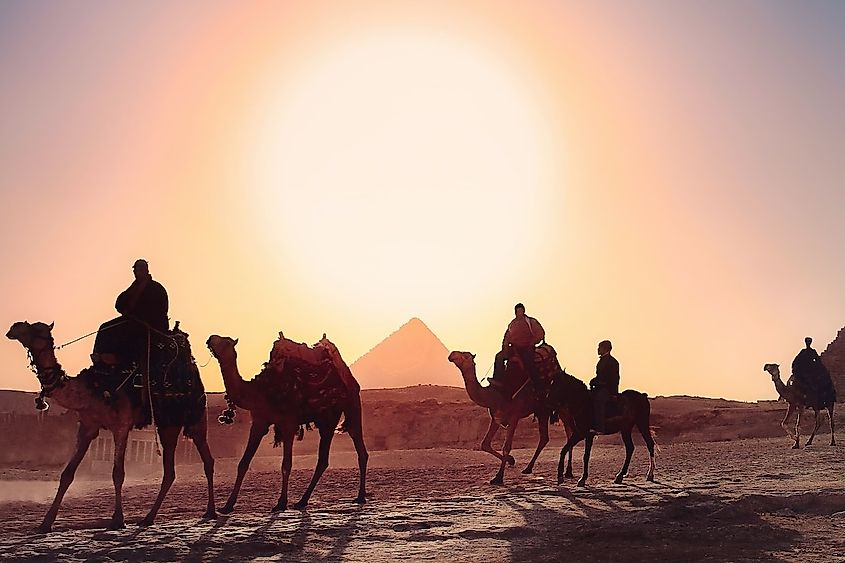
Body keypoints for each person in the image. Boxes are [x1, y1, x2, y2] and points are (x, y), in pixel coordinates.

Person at [93, 259, 169, 367]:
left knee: (125, 332)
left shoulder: (156, 288)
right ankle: (99, 358)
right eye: (135, 269)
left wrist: (137, 316)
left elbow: (159, 311)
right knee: (105, 327)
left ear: (145, 270)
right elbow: (119, 303)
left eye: (139, 269)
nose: (136, 272)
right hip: (132, 321)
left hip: (150, 326)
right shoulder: (133, 288)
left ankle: (118, 359)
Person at [491, 303, 545, 391]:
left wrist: (532, 342)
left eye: (520, 311)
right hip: (514, 348)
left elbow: (540, 333)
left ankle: (538, 386)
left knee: (529, 364)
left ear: (523, 311)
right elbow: (507, 336)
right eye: (517, 311)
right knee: (499, 357)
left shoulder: (530, 322)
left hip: (527, 347)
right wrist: (505, 346)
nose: (519, 313)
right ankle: (498, 379)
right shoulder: (512, 324)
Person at [590, 339, 619, 433]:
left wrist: (613, 393)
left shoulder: (612, 362)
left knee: (599, 401)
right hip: (599, 387)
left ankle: (600, 427)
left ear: (605, 349)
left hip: (607, 389)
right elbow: (599, 376)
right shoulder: (602, 361)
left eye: (599, 347)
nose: (598, 349)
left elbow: (614, 379)